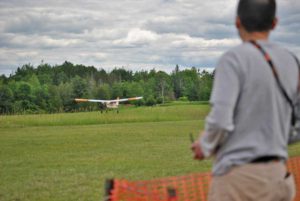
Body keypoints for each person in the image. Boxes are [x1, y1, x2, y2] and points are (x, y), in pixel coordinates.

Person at [191, 0, 299, 200]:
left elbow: (221, 120)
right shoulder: (292, 61)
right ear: (274, 23)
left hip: (238, 180)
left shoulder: (233, 59)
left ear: (237, 22)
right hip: (279, 177)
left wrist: (204, 145)